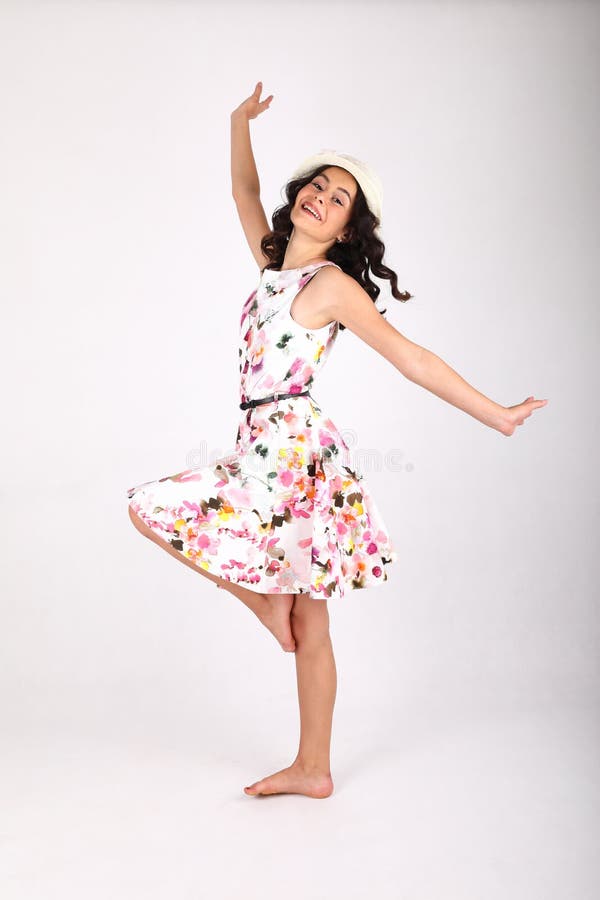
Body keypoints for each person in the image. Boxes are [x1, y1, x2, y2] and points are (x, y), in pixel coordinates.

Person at [127, 82, 549, 799]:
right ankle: (313, 764)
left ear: (349, 230)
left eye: (339, 197)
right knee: (305, 612)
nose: (322, 196)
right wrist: (237, 122)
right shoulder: (272, 269)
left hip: (292, 449)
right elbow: (241, 190)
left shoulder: (329, 285)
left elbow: (411, 358)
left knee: (153, 511)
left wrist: (498, 414)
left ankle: (269, 619)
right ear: (301, 197)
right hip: (267, 442)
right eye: (318, 185)